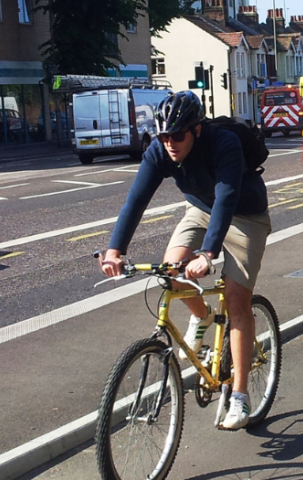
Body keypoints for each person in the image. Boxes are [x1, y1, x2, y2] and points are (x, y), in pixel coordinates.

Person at [98, 91, 271, 430]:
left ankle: (239, 395)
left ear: (197, 130)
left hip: (245, 215)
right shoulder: (160, 151)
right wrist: (115, 249)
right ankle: (203, 317)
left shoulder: (223, 144)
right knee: (171, 272)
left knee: (237, 300)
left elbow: (227, 198)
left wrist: (208, 253)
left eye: (177, 135)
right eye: (163, 136)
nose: (170, 143)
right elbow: (135, 200)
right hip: (199, 211)